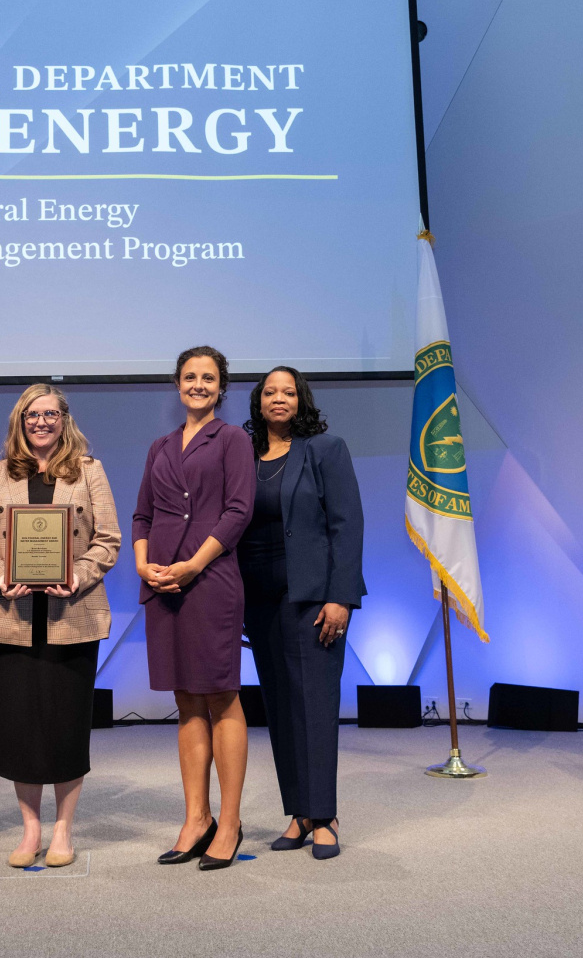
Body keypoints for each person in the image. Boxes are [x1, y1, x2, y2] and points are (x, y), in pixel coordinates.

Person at [0, 384, 121, 868]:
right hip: (11, 620)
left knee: (66, 726)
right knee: (19, 728)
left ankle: (63, 829)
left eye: (51, 414)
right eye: (32, 415)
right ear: (20, 420)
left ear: (64, 420)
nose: (41, 422)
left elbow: (109, 539)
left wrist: (77, 575)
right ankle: (30, 829)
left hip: (72, 618)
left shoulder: (90, 471)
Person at [132, 345, 255, 871]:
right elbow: (142, 515)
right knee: (185, 700)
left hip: (210, 581)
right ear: (177, 384)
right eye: (189, 377)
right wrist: (144, 565)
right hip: (163, 585)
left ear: (221, 387)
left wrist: (191, 565)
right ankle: (196, 818)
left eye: (208, 377)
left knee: (221, 696)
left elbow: (238, 512)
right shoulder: (160, 446)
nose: (198, 385)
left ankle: (229, 822)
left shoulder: (232, 439)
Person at [238, 366, 365, 861]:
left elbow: (347, 525)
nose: (279, 399)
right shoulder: (245, 456)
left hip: (313, 600)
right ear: (258, 402)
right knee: (280, 709)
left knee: (314, 705)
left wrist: (341, 597)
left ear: (301, 400)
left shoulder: (325, 449)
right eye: (270, 392)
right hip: (259, 600)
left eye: (288, 392)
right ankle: (298, 813)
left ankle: (324, 815)